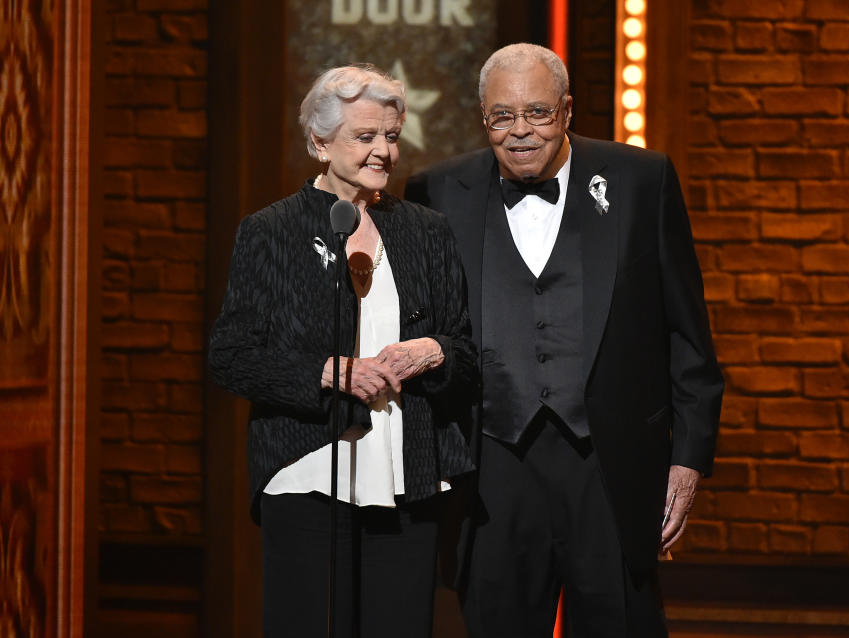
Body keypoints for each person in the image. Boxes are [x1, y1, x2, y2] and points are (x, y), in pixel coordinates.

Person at [405, 43, 724, 637]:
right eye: (502, 115)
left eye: (538, 113)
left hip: (609, 464)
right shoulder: (438, 191)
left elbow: (687, 335)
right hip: (491, 468)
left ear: (568, 110)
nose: (519, 130)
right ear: (484, 118)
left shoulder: (640, 181)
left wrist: (688, 459)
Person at [209, 64, 477, 638]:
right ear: (319, 142)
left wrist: (433, 351)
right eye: (364, 136)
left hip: (408, 475)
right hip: (308, 472)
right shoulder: (271, 231)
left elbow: (467, 351)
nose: (383, 151)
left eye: (391, 136)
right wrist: (327, 372)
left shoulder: (427, 232)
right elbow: (230, 355)